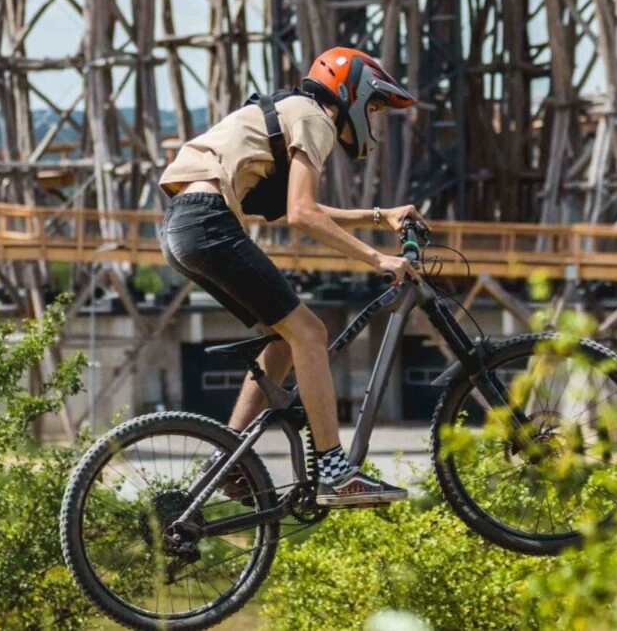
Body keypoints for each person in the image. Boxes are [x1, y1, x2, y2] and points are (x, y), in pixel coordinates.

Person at [156, 47, 422, 507]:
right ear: (351, 94)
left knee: (283, 339)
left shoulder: (285, 114)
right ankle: (336, 472)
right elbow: (303, 214)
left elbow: (301, 211)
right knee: (311, 332)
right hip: (207, 222)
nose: (373, 121)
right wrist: (377, 259)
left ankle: (227, 458)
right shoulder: (314, 117)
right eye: (374, 108)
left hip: (183, 227)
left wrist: (380, 216)